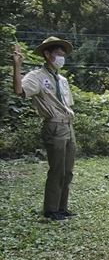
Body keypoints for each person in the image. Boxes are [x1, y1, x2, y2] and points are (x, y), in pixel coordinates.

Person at [12, 37, 77, 221]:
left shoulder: (62, 79)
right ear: (47, 55)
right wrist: (17, 66)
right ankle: (51, 209)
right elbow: (19, 90)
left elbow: (67, 103)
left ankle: (62, 207)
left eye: (63, 55)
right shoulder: (36, 76)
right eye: (58, 54)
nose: (61, 58)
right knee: (57, 169)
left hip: (68, 125)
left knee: (68, 170)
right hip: (54, 125)